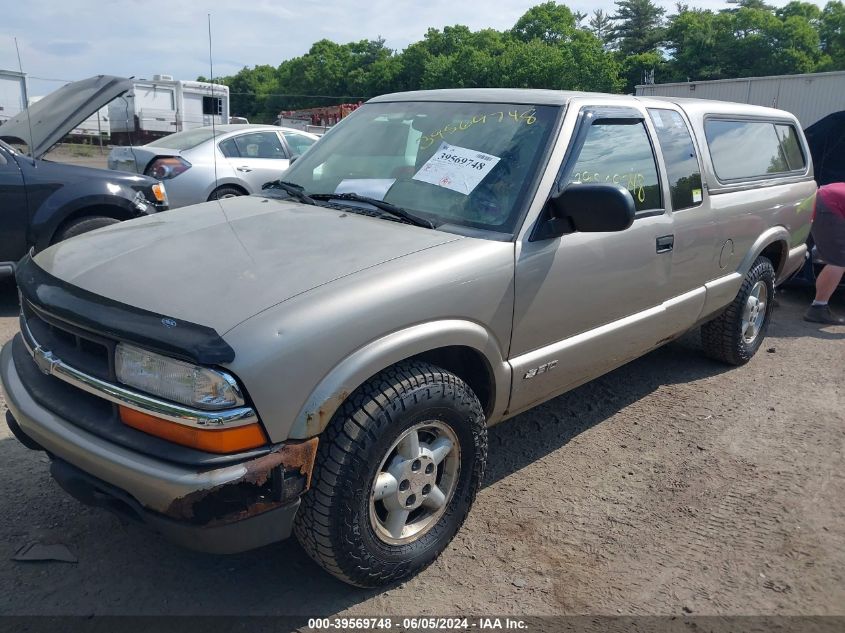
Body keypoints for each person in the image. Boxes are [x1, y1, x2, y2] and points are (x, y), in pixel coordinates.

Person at [804, 182, 845, 325]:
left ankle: (771, 293)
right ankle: (818, 308)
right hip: (829, 204)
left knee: (800, 250)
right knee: (839, 260)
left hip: (816, 198)